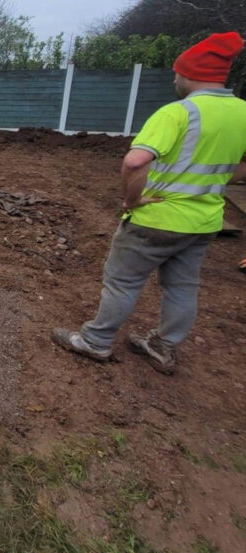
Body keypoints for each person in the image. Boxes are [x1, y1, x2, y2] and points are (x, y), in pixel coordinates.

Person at [52, 31, 246, 375]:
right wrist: (215, 180)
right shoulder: (242, 113)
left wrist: (132, 199)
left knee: (123, 282)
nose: (174, 77)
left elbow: (135, 161)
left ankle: (96, 341)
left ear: (191, 74)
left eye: (177, 72)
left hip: (156, 217)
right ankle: (163, 347)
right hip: (203, 222)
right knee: (183, 288)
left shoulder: (178, 113)